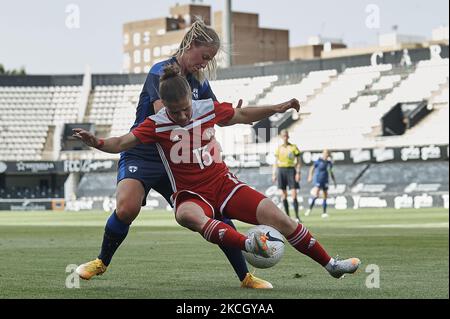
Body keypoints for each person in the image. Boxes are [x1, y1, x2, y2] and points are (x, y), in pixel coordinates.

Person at [73, 65, 361, 286]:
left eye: (186, 108)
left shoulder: (207, 107)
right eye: (176, 112)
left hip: (224, 185)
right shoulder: (155, 124)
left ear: (190, 98)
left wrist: (276, 107)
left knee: (281, 219)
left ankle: (331, 265)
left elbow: (243, 115)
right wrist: (96, 142)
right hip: (190, 194)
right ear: (164, 106)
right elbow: (121, 143)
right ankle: (248, 243)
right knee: (186, 215)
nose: (184, 116)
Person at [75, 20, 272, 289]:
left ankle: (245, 276)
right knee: (127, 207)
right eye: (204, 57)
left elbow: (211, 112)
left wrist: (234, 116)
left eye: (209, 60)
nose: (204, 64)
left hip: (176, 160)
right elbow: (166, 119)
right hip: (143, 152)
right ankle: (101, 261)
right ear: (191, 46)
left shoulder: (199, 82)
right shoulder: (160, 73)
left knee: (215, 212)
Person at [272, 129, 302, 222]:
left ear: (288, 136)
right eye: (284, 136)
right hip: (281, 170)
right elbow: (275, 162)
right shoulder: (279, 148)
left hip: (291, 170)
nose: (285, 137)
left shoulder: (293, 147)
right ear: (281, 137)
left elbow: (299, 161)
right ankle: (288, 217)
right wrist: (274, 174)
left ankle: (297, 216)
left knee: (294, 194)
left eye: (287, 136)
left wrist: (298, 172)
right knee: (284, 195)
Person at [305, 149, 337, 218]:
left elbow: (331, 172)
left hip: (325, 180)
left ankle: (324, 212)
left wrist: (334, 181)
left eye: (327, 153)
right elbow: (312, 168)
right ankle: (309, 209)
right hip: (318, 180)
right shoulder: (319, 161)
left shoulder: (329, 163)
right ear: (323, 154)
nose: (326, 154)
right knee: (316, 195)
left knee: (325, 196)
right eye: (325, 153)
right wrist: (310, 176)